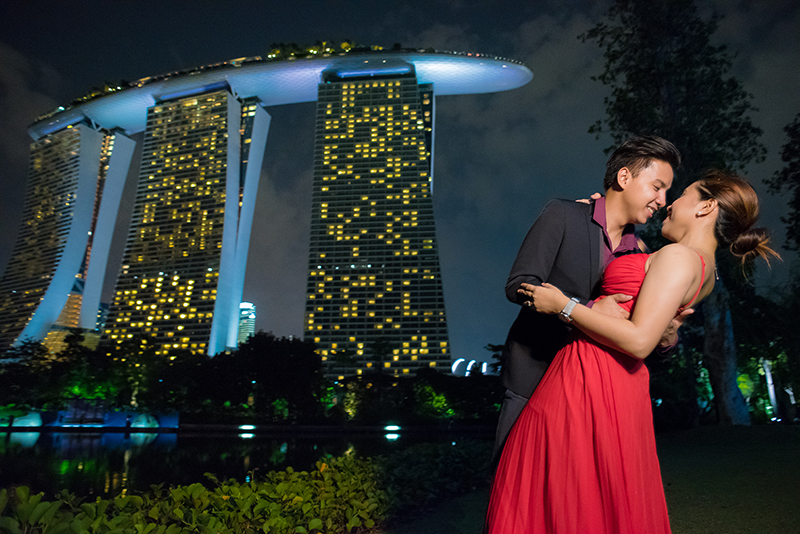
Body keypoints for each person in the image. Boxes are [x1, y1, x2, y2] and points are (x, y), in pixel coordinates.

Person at [485, 171, 778, 533]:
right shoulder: (703, 270)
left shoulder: (679, 258)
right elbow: (652, 325)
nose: (669, 203)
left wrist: (565, 305)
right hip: (609, 383)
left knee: (549, 495)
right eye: (660, 188)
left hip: (589, 379)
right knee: (586, 499)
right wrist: (594, 224)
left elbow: (639, 339)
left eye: (681, 194)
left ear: (707, 206)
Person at [495, 135, 684, 458]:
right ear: (625, 177)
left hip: (593, 392)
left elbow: (639, 336)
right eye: (657, 187)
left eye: (666, 191)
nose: (662, 200)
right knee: (512, 491)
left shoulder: (641, 254)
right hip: (534, 378)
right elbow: (520, 284)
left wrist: (667, 336)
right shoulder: (563, 215)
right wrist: (590, 308)